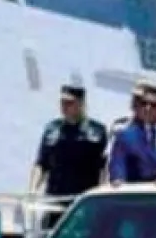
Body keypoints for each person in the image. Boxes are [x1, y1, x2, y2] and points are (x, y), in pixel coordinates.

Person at [30, 84, 109, 229]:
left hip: (82, 202)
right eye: (62, 102)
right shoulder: (52, 130)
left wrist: (101, 195)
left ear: (81, 104)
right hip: (55, 202)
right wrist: (33, 190)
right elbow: (41, 163)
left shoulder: (97, 132)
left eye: (69, 103)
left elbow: (103, 169)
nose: (64, 107)